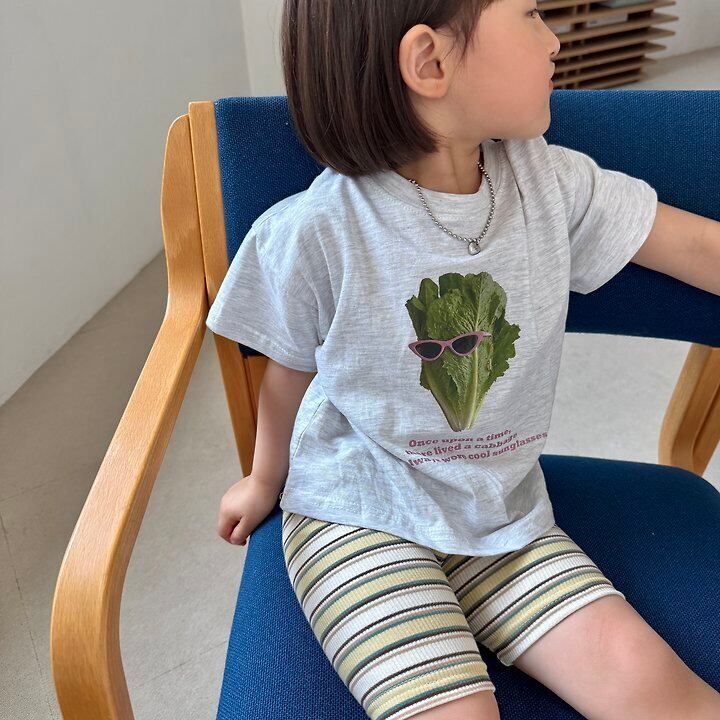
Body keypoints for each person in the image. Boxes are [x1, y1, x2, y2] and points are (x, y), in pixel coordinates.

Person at [208, 1, 720, 718]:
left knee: (652, 686)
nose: (553, 42)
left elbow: (692, 246)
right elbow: (286, 369)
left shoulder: (552, 185)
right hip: (358, 513)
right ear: (430, 62)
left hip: (503, 514)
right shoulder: (318, 230)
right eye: (533, 14)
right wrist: (265, 480)